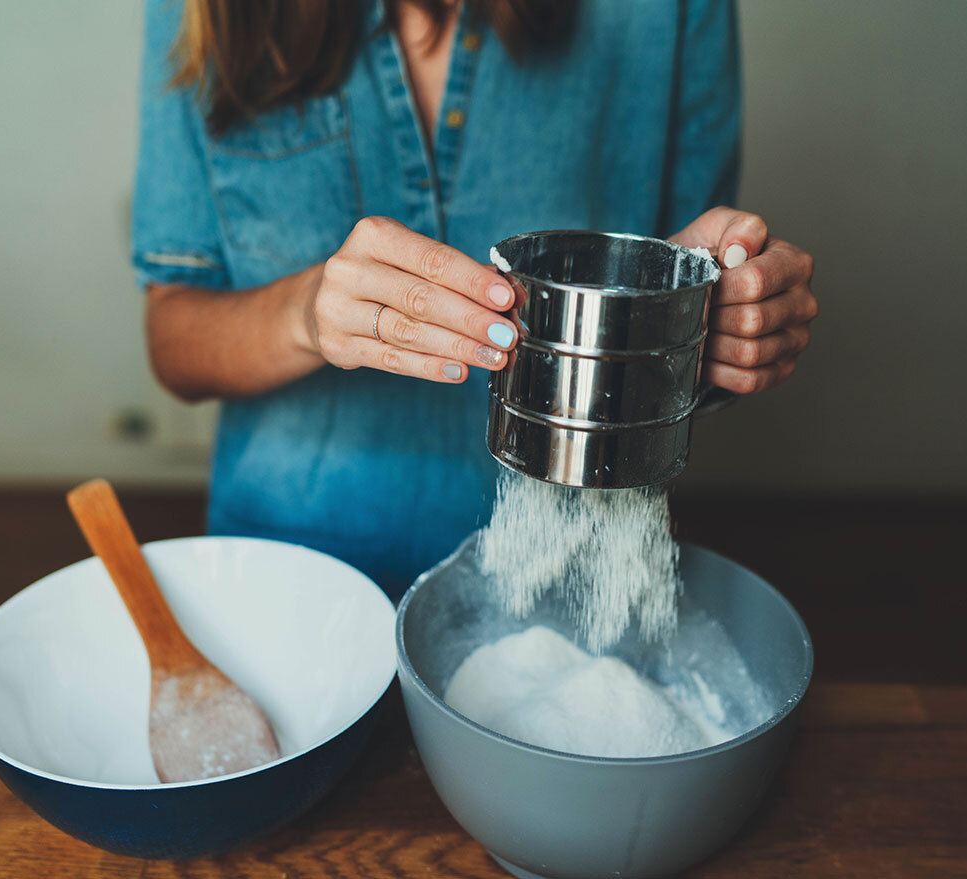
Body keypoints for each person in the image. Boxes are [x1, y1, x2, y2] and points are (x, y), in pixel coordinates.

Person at [132, 0, 818, 598]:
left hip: (574, 566)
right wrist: (303, 314)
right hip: (285, 569)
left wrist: (712, 323)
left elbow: (688, 316)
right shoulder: (208, 11)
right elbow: (173, 342)